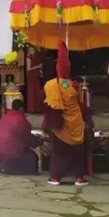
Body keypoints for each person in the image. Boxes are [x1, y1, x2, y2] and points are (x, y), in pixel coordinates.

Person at [42, 42, 88, 186]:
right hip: (75, 122)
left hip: (60, 123)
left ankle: (55, 177)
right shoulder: (75, 85)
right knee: (78, 151)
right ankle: (79, 178)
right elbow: (81, 102)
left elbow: (50, 104)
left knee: (59, 151)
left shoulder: (51, 85)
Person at [0, 99, 39, 175]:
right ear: (21, 109)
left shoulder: (5, 117)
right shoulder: (21, 119)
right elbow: (27, 138)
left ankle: (4, 165)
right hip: (12, 151)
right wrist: (37, 141)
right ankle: (7, 168)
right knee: (33, 158)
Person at [25, 45, 44, 114]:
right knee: (32, 93)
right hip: (31, 77)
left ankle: (37, 108)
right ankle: (31, 109)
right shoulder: (28, 58)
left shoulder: (35, 58)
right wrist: (37, 66)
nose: (33, 52)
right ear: (29, 51)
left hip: (36, 77)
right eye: (32, 50)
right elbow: (28, 69)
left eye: (34, 50)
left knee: (37, 92)